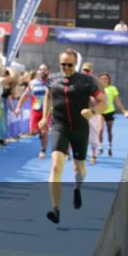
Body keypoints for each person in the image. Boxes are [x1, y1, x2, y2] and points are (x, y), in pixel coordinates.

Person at [45, 49, 106, 224]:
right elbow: (48, 97)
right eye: (63, 64)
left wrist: (92, 111)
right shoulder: (52, 79)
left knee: (79, 169)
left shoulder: (86, 81)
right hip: (59, 127)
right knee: (56, 166)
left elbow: (103, 102)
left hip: (80, 128)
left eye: (70, 65)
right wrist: (44, 117)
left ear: (75, 64)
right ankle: (55, 209)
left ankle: (77, 188)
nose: (66, 68)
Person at [15, 64, 50, 158]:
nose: (43, 71)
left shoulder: (51, 83)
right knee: (33, 131)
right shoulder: (32, 83)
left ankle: (43, 150)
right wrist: (18, 107)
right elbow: (25, 96)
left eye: (45, 70)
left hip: (46, 111)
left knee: (44, 131)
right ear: (38, 71)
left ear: (48, 71)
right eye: (41, 69)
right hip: (35, 109)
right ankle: (40, 134)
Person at [98, 72, 125, 157]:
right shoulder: (97, 88)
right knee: (100, 129)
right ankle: (100, 146)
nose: (104, 80)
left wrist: (124, 110)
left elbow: (117, 101)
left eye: (105, 78)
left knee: (109, 130)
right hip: (100, 112)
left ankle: (109, 147)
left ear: (108, 80)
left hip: (110, 112)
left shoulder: (113, 89)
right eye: (102, 79)